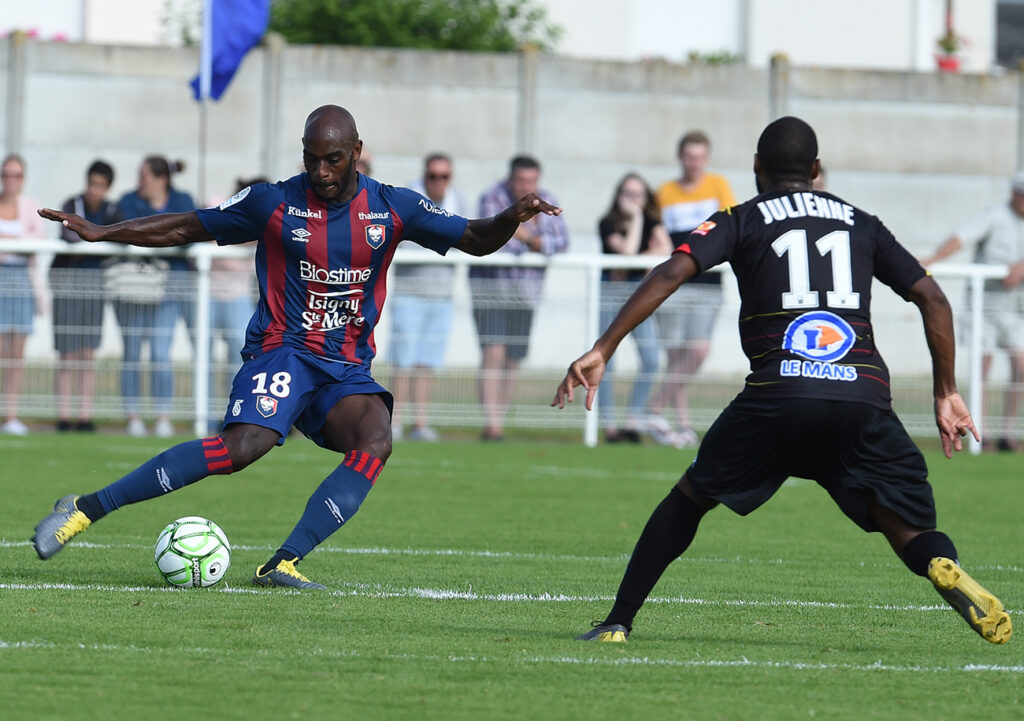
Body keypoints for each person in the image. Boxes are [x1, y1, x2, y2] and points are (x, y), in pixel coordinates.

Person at [32, 104, 562, 590]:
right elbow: (186, 228)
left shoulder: (392, 207)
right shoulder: (273, 201)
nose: (321, 172)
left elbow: (473, 237)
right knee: (241, 450)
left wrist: (511, 218)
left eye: (332, 160)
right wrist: (106, 233)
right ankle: (84, 508)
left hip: (345, 367)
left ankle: (282, 562)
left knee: (376, 438)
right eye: (311, 159)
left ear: (356, 152)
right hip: (282, 350)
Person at [553, 116, 1011, 646]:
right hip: (860, 396)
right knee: (900, 522)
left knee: (690, 497)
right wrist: (946, 391)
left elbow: (670, 272)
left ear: (756, 167)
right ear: (816, 170)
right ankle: (940, 563)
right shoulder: (862, 222)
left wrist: (603, 347)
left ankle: (617, 622)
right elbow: (932, 298)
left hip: (779, 396)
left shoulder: (741, 217)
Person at [921, 172, 1024, 452]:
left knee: (1020, 366)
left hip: (1016, 309)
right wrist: (933, 259)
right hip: (986, 306)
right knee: (984, 365)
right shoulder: (995, 216)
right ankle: (983, 431)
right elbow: (961, 238)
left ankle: (1008, 432)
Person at [470, 155, 569, 440]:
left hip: (526, 295)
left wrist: (529, 239)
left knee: (513, 358)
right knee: (493, 353)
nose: (526, 186)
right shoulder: (492, 197)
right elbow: (497, 244)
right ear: (511, 179)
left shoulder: (548, 199)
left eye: (531, 180)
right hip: (493, 292)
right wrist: (532, 241)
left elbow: (560, 242)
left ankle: (500, 416)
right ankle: (491, 424)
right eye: (521, 180)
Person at [649, 131, 737, 447]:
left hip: (707, 281)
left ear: (707, 158)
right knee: (676, 356)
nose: (694, 163)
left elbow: (730, 227)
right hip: (676, 282)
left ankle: (655, 406)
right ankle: (682, 424)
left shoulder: (717, 187)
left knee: (698, 350)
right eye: (689, 156)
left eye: (700, 157)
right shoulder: (665, 193)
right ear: (680, 157)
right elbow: (658, 235)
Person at [115, 155, 197, 438]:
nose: (140, 182)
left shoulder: (183, 200)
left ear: (161, 179)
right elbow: (128, 231)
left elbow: (188, 231)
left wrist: (151, 235)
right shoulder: (128, 201)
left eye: (144, 175)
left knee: (161, 352)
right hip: (136, 285)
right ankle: (132, 416)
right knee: (132, 351)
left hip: (172, 285)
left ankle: (163, 415)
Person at [389, 153, 467, 442]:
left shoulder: (459, 201)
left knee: (427, 362)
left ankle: (420, 423)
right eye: (433, 176)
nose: (438, 182)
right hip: (409, 292)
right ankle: (394, 422)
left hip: (442, 295)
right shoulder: (409, 198)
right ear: (424, 175)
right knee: (403, 361)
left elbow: (465, 238)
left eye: (444, 176)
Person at [596, 173, 672, 442]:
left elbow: (667, 251)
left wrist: (643, 255)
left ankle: (632, 419)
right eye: (628, 194)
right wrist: (638, 223)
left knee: (651, 358)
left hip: (638, 295)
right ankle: (609, 425)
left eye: (638, 194)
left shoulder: (653, 221)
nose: (633, 200)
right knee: (605, 360)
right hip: (610, 295)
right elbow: (625, 254)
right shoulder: (608, 223)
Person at [50, 160, 122, 432]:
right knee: (66, 352)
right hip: (68, 284)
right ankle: (64, 415)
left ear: (107, 188)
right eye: (91, 183)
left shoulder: (113, 210)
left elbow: (118, 240)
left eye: (100, 185)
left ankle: (84, 415)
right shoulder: (71, 204)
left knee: (87, 353)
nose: (94, 190)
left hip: (95, 287)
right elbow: (68, 235)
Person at [206, 177, 264, 429]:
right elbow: (209, 239)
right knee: (204, 359)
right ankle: (205, 417)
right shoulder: (217, 203)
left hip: (239, 296)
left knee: (238, 362)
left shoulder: (266, 218)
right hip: (205, 294)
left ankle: (232, 415)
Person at [0, 154, 46, 436]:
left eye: (16, 175)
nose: (10, 181)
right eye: (6, 175)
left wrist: (10, 245)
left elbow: (36, 241)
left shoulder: (30, 207)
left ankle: (11, 413)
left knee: (16, 354)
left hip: (21, 282)